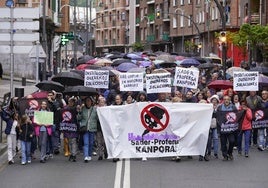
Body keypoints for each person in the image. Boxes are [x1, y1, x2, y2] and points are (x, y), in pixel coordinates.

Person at [77, 96, 98, 162]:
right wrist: (79, 112)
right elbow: (78, 118)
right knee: (86, 143)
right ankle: (86, 156)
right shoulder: (82, 109)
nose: (88, 102)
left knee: (91, 143)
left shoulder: (94, 109)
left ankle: (89, 154)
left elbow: (97, 118)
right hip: (85, 128)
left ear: (91, 102)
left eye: (89, 101)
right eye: (87, 101)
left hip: (92, 128)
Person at [217, 95, 237, 161]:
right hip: (222, 129)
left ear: (230, 100)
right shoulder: (220, 108)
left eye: (227, 99)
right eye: (225, 99)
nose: (226, 100)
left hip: (231, 128)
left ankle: (230, 152)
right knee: (223, 143)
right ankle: (225, 156)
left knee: (232, 141)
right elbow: (218, 118)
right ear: (223, 100)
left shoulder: (233, 107)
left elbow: (236, 117)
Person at [61, 97, 79, 162]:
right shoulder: (65, 109)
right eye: (69, 102)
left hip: (73, 127)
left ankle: (74, 155)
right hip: (67, 127)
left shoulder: (75, 109)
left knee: (73, 141)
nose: (70, 103)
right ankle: (71, 153)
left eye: (72, 102)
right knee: (69, 141)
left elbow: (76, 113)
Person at [96, 96, 108, 160]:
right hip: (99, 127)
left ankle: (106, 152)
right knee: (99, 142)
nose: (102, 103)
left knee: (105, 142)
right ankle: (100, 155)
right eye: (100, 102)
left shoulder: (107, 109)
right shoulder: (96, 109)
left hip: (105, 128)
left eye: (103, 102)